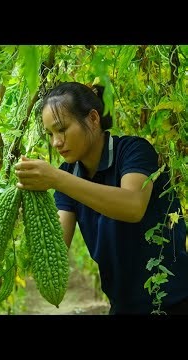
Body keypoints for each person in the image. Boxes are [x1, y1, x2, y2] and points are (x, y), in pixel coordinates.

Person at [14, 81, 188, 315]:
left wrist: (55, 178)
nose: (56, 142)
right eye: (50, 134)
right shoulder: (68, 174)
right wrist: (29, 210)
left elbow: (133, 206)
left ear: (93, 119)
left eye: (62, 129)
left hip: (176, 301)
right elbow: (56, 245)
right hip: (122, 307)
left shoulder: (135, 151)